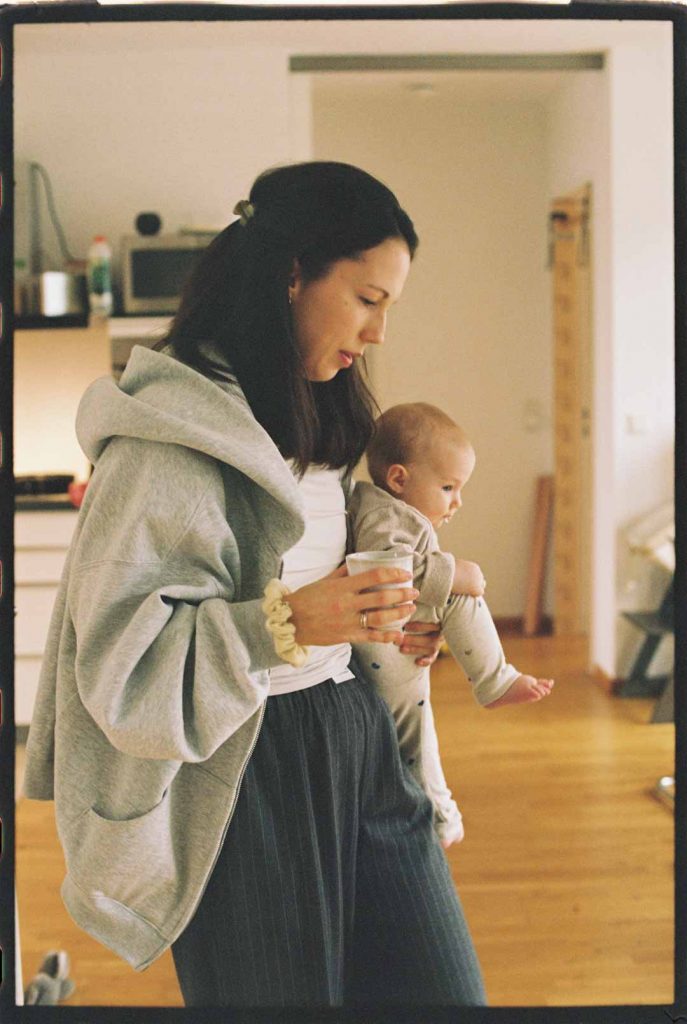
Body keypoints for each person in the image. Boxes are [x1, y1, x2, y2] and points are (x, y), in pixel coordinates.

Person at [22, 162, 487, 1008]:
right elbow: (124, 670)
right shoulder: (166, 445)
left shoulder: (322, 414)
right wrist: (289, 621)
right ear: (291, 273)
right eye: (367, 299)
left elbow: (329, 584)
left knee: (444, 994)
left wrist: (383, 627)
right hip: (244, 770)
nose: (378, 331)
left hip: (351, 732)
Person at [349, 402, 554, 848]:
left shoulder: (380, 506)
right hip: (384, 647)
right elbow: (384, 572)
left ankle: (441, 817)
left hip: (391, 646)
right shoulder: (385, 514)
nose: (457, 502)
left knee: (418, 745)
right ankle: (494, 680)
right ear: (399, 478)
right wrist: (456, 574)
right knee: (464, 587)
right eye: (447, 487)